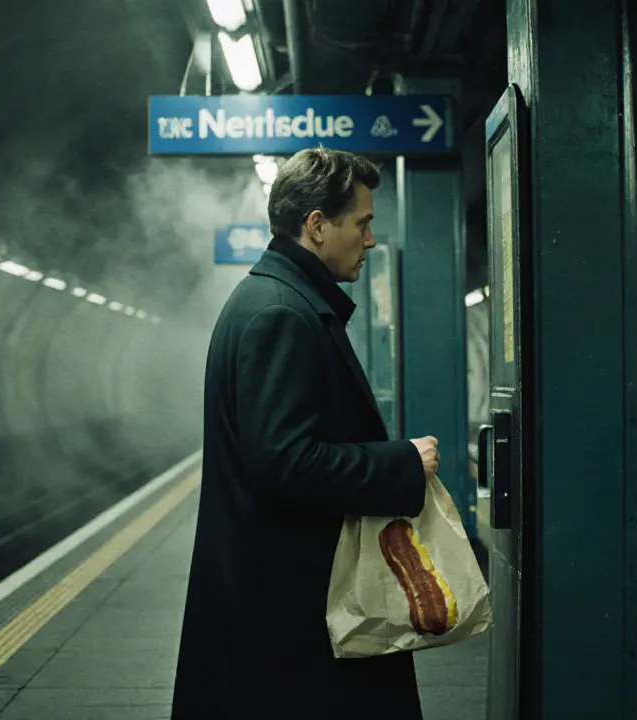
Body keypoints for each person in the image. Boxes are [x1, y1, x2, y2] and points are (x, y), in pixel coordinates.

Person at [170, 147, 440, 720]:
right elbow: (284, 464)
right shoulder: (281, 315)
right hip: (289, 617)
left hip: (276, 607)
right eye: (362, 224)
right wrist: (402, 463)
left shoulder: (276, 299)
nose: (369, 241)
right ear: (317, 226)